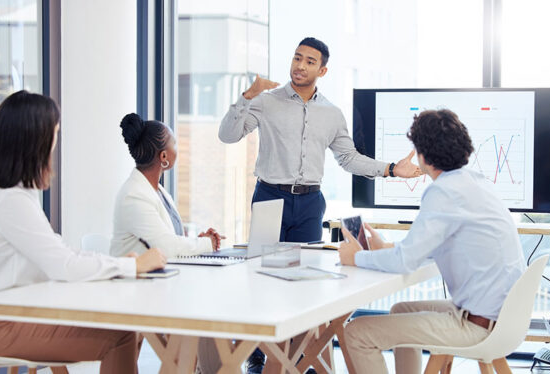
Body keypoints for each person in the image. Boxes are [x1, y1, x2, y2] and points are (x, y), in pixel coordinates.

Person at [337, 109, 526, 374]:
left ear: (423, 156)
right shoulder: (476, 182)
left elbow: (406, 262)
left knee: (357, 333)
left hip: (476, 326)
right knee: (400, 309)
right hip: (504, 320)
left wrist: (354, 257)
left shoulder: (443, 191)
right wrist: (386, 248)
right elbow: (434, 245)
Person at [0, 91, 167, 373]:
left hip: (21, 312)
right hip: (6, 323)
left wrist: (123, 264)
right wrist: (132, 265)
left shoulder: (15, 194)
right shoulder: (11, 201)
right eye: (54, 135)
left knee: (125, 328)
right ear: (35, 142)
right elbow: (62, 264)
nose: (54, 145)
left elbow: (59, 251)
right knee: (120, 337)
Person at [219, 37, 420, 244]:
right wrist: (247, 97)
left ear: (322, 71)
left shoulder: (332, 113)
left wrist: (392, 168)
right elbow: (228, 136)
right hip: (270, 197)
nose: (300, 66)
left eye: (309, 62)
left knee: (307, 268)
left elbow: (349, 158)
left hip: (311, 202)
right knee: (263, 267)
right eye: (297, 59)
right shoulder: (265, 101)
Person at [110, 113, 223, 258]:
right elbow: (166, 248)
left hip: (161, 274)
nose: (177, 148)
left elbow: (169, 238)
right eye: (174, 144)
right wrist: (207, 243)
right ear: (163, 157)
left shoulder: (157, 191)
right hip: (137, 279)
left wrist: (198, 242)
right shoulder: (133, 196)